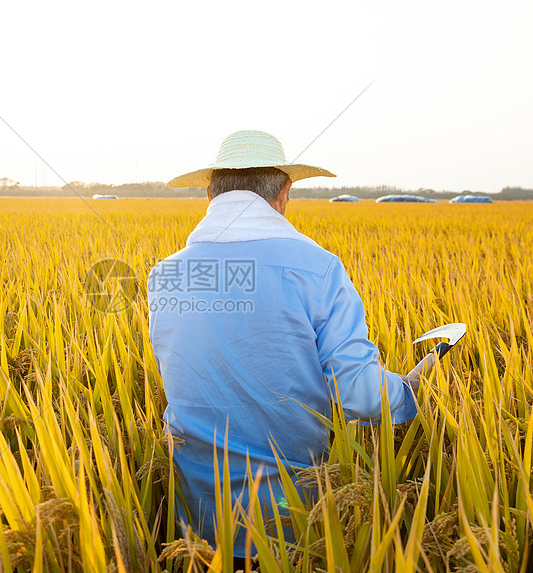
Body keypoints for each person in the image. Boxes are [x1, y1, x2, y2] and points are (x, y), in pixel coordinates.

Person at [147, 130, 420, 559]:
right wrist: (408, 390)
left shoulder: (166, 275)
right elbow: (363, 400)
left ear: (209, 193)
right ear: (284, 192)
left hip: (194, 527)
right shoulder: (319, 269)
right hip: (291, 524)